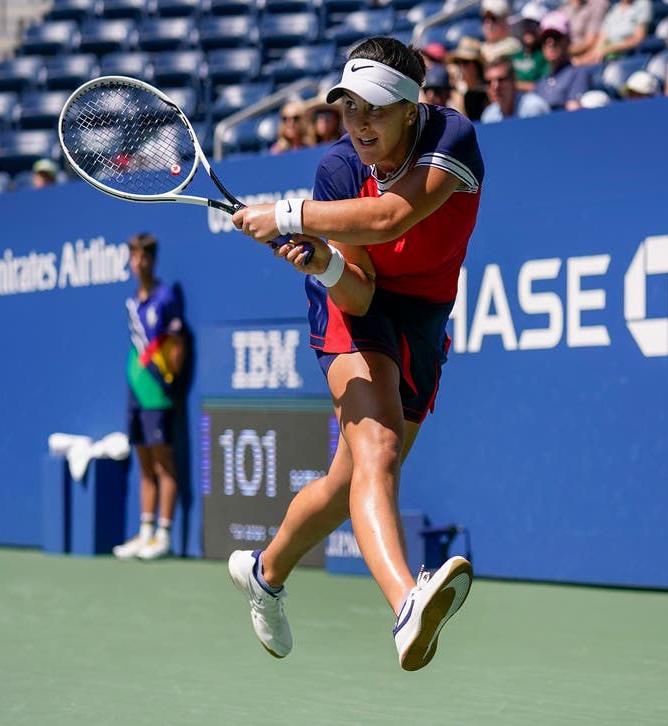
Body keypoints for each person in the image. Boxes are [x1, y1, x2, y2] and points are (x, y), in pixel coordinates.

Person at [229, 36, 478, 672]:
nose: (359, 124)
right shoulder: (338, 168)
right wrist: (323, 260)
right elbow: (361, 297)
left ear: (409, 108)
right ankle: (406, 606)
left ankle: (266, 571)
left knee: (348, 484)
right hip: (354, 304)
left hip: (424, 318)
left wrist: (287, 215)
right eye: (348, 109)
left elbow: (392, 217)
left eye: (373, 109)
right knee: (380, 451)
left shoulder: (453, 139)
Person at [112, 233, 187, 561]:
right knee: (144, 462)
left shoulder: (166, 297)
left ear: (153, 260)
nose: (138, 262)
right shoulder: (131, 303)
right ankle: (145, 533)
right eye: (133, 256)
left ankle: (164, 535)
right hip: (135, 390)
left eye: (143, 257)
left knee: (163, 464)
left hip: (157, 392)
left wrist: (169, 379)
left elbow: (177, 344)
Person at [533, 11, 591, 112]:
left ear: (567, 40)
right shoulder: (541, 82)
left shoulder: (578, 74)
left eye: (556, 37)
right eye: (545, 39)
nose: (550, 43)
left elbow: (574, 114)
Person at [576, 0, 652, 65]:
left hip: (625, 54)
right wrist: (586, 58)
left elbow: (638, 39)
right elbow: (601, 40)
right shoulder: (614, 9)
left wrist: (608, 49)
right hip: (606, 53)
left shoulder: (643, 4)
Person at [481, 56, 551, 122]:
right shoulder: (488, 115)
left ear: (513, 80)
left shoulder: (533, 107)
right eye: (488, 82)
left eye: (501, 80)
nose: (495, 86)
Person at [446, 36, 490, 121]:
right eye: (457, 62)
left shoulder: (490, 91)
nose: (460, 67)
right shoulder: (462, 93)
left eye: (465, 62)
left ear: (477, 66)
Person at [510, 2, 550, 92]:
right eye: (525, 24)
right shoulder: (515, 55)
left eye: (533, 24)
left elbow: (543, 87)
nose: (528, 29)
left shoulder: (545, 56)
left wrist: (513, 85)